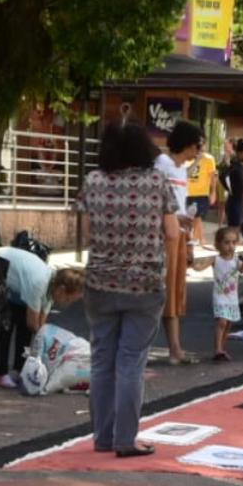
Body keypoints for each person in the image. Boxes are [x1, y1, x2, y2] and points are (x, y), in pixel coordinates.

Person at [81, 119, 179, 457]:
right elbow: (171, 233)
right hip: (145, 284)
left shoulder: (92, 181)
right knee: (131, 362)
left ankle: (102, 437)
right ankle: (125, 439)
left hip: (99, 282)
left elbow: (87, 233)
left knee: (101, 360)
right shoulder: (156, 181)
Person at [0, 249, 86, 387]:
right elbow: (33, 324)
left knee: (24, 325)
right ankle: (1, 375)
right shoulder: (39, 284)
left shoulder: (52, 285)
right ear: (61, 289)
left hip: (15, 283)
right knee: (6, 325)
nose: (67, 303)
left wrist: (47, 340)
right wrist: (50, 346)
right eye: (68, 298)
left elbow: (41, 327)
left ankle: (20, 369)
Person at [153, 120, 204, 364]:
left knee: (175, 293)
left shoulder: (181, 170)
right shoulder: (161, 165)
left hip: (180, 233)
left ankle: (175, 348)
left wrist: (190, 240)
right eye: (198, 145)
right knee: (163, 292)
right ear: (189, 144)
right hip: (164, 235)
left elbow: (180, 205)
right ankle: (173, 349)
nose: (199, 151)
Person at [212, 226, 242, 361]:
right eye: (226, 242)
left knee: (228, 323)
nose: (230, 246)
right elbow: (200, 266)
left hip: (232, 297)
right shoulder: (216, 259)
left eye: (233, 242)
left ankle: (222, 348)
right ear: (218, 244)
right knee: (222, 322)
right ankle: (218, 349)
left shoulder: (236, 259)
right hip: (220, 296)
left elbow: (241, 269)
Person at [188, 137, 217, 247]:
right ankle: (201, 239)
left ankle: (196, 238)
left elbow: (213, 176)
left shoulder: (209, 159)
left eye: (201, 144)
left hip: (201, 192)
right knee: (192, 217)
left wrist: (213, 192)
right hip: (187, 192)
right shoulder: (188, 156)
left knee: (197, 216)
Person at [222, 139, 243, 230]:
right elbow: (223, 176)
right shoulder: (235, 167)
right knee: (233, 230)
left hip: (240, 203)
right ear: (238, 153)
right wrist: (231, 190)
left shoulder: (242, 166)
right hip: (235, 203)